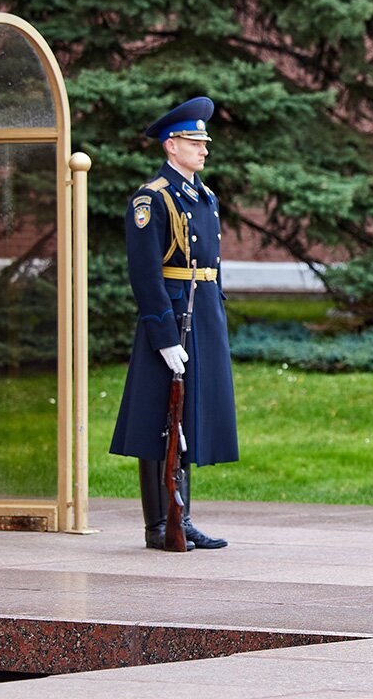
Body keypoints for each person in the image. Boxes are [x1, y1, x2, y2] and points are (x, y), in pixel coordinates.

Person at [110, 96, 237, 551]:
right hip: (171, 319)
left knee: (187, 418)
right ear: (171, 146)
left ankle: (181, 515)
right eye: (194, 141)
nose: (204, 149)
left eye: (205, 141)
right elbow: (146, 275)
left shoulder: (203, 196)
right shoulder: (153, 200)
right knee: (158, 421)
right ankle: (159, 525)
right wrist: (163, 337)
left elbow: (210, 266)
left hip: (201, 315)